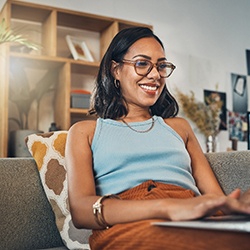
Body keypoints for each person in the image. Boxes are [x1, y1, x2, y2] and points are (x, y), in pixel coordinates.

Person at [65, 27, 250, 249]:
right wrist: (167, 207)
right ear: (115, 70)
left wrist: (237, 206)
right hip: (129, 221)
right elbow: (82, 212)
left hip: (192, 216)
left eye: (161, 66)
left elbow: (216, 200)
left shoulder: (179, 127)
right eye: (142, 63)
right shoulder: (85, 132)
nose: (155, 75)